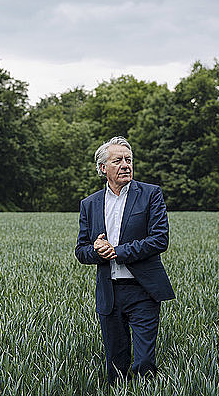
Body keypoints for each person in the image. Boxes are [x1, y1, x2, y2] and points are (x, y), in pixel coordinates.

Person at [75, 136, 175, 385]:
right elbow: (81, 251)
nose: (125, 165)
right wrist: (98, 250)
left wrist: (117, 251)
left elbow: (159, 240)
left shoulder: (151, 194)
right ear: (102, 168)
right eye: (117, 160)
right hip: (110, 294)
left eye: (128, 160)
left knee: (143, 363)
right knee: (116, 367)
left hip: (143, 291)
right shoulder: (90, 204)